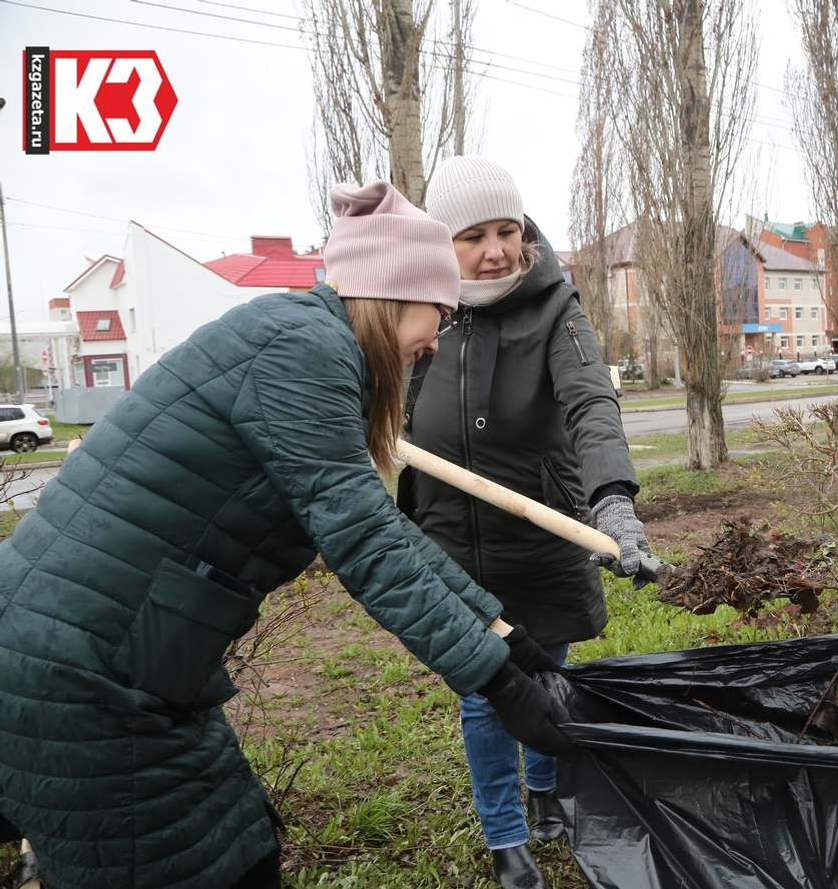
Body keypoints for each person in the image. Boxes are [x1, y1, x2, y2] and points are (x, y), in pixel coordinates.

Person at [0, 181, 569, 889]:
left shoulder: (302, 341)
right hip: (84, 671)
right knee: (213, 864)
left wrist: (508, 638)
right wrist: (493, 680)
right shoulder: (300, 351)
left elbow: (379, 524)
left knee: (229, 847)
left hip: (112, 658)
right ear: (395, 293)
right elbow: (363, 543)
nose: (437, 334)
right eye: (438, 311)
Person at [401, 157, 652, 889]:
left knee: (545, 678)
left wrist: (611, 497)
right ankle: (506, 835)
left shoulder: (553, 306)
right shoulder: (417, 308)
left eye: (507, 229)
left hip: (542, 535)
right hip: (448, 542)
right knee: (484, 693)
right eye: (472, 235)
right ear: (439, 245)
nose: (495, 250)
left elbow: (589, 406)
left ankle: (545, 790)